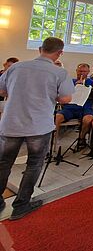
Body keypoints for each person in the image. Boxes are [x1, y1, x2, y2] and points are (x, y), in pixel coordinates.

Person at [0, 37, 74, 220]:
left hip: (11, 123)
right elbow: (66, 99)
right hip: (38, 126)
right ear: (60, 53)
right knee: (33, 165)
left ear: (40, 49)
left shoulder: (16, 67)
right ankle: (21, 205)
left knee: (3, 164)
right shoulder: (59, 72)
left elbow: (2, 91)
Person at [55, 63, 93, 149]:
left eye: (84, 71)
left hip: (85, 107)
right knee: (57, 117)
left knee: (88, 119)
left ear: (88, 72)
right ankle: (54, 140)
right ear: (76, 71)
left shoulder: (91, 82)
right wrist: (74, 86)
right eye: (80, 71)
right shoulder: (70, 81)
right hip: (70, 107)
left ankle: (81, 138)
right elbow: (63, 94)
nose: (82, 73)